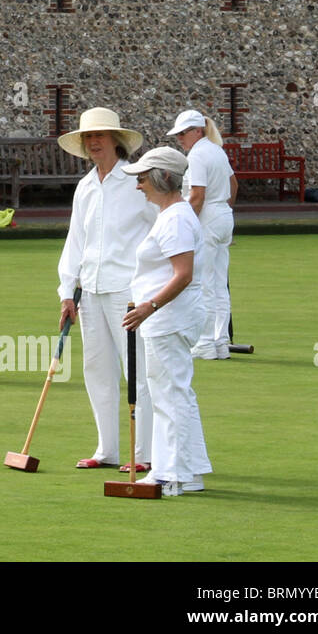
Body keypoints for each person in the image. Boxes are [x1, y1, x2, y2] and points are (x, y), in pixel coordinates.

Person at [56, 108, 156, 472]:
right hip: (91, 292)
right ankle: (107, 450)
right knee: (96, 369)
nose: (93, 142)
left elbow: (161, 228)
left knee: (138, 370)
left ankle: (143, 454)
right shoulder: (84, 187)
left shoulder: (137, 182)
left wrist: (152, 283)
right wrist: (67, 291)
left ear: (116, 140)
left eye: (100, 135)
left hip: (127, 290)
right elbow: (75, 242)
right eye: (88, 137)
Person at [121, 146, 212, 496]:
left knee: (168, 395)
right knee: (176, 393)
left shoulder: (175, 218)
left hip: (169, 318)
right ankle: (189, 472)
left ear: (163, 178)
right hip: (170, 318)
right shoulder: (172, 214)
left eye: (143, 178)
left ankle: (169, 475)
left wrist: (149, 306)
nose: (139, 185)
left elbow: (183, 273)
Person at [168, 109, 237, 360]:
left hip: (207, 217)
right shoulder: (217, 150)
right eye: (178, 134)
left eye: (184, 133)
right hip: (222, 216)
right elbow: (234, 185)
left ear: (198, 130)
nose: (180, 138)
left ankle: (206, 343)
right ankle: (220, 342)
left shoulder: (197, 155)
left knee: (206, 282)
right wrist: (224, 213)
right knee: (219, 283)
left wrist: (187, 226)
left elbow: (197, 196)